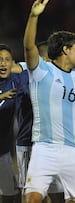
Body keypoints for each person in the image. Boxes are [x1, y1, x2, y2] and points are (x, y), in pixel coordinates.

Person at [23, 1, 75, 202]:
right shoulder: (42, 71)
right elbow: (28, 46)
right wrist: (34, 16)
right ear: (66, 50)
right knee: (32, 198)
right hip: (44, 147)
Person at [13, 41, 65, 203]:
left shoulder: (62, 76)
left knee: (57, 192)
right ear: (43, 59)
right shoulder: (23, 74)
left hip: (55, 142)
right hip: (28, 141)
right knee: (29, 193)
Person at [0, 43, 22, 203]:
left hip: (3, 150)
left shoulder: (15, 81)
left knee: (11, 194)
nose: (3, 63)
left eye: (7, 59)